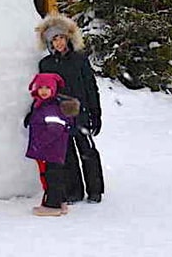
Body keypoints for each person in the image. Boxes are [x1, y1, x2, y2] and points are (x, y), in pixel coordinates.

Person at [36, 13, 104, 203]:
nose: (59, 43)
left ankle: (95, 190)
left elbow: (91, 87)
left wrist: (95, 113)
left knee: (87, 151)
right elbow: (43, 91)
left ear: (68, 38)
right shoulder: (46, 64)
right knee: (67, 154)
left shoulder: (79, 60)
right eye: (54, 39)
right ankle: (74, 190)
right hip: (60, 115)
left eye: (61, 38)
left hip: (81, 113)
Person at [24, 72, 80, 217]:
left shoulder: (52, 107)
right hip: (52, 149)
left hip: (51, 149)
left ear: (53, 89)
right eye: (41, 87)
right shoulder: (43, 104)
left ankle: (52, 205)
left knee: (52, 177)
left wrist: (40, 143)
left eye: (47, 88)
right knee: (55, 176)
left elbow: (55, 129)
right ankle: (61, 201)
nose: (43, 91)